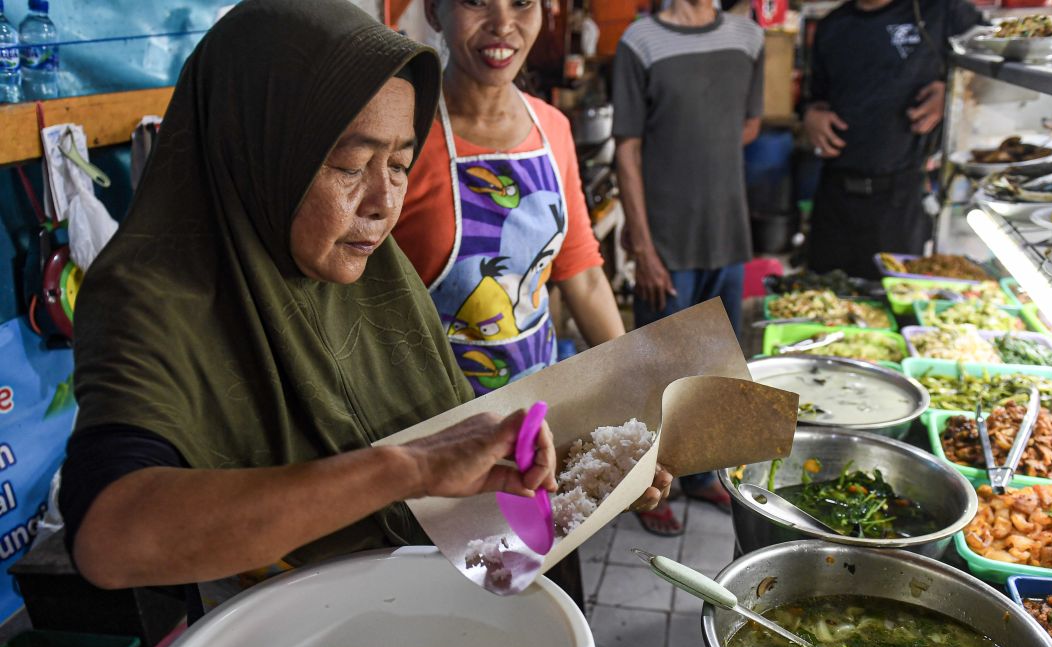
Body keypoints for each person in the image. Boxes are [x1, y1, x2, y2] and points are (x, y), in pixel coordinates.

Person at [58, 0, 668, 611]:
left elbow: (462, 462)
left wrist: (593, 476)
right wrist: (404, 469)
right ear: (259, 148)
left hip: (423, 605)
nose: (383, 203)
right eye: (351, 165)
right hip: (282, 645)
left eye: (400, 164)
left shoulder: (375, 273)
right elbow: (111, 539)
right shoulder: (150, 299)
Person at [393, 0, 625, 398]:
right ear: (434, 12)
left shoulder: (553, 128)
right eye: (477, 3)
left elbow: (582, 275)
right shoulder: (401, 137)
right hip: (430, 416)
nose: (503, 24)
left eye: (521, 3)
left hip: (540, 404)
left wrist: (633, 377)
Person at [612, 0, 763, 535]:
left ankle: (697, 476)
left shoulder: (748, 38)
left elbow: (748, 124)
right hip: (666, 241)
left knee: (715, 368)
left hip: (727, 231)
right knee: (658, 372)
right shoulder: (640, 41)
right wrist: (644, 247)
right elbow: (626, 150)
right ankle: (642, 488)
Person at [805, 0, 984, 278]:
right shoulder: (831, 26)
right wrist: (810, 114)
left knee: (895, 299)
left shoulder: (941, 12)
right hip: (834, 194)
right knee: (823, 300)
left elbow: (997, 67)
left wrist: (954, 92)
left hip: (901, 197)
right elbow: (816, 97)